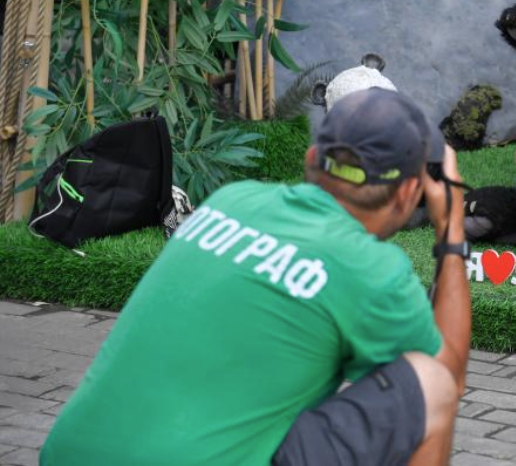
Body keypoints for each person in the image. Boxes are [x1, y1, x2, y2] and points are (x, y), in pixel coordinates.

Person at [41, 88, 472, 466]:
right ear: (409, 191)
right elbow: (448, 376)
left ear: (311, 159)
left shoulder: (231, 201)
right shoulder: (372, 268)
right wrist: (451, 232)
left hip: (67, 454)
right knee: (431, 384)